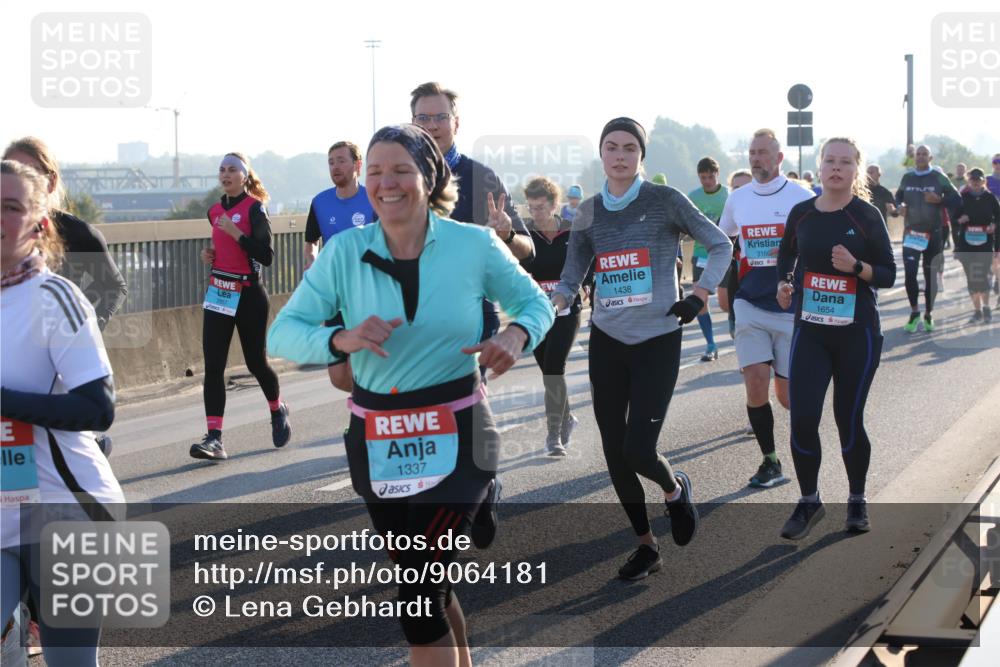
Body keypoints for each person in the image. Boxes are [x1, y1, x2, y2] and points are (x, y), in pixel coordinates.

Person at [267, 124, 553, 667]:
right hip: (378, 440)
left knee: (419, 602)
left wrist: (515, 335)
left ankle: (481, 492)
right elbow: (281, 333)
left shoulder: (473, 244)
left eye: (400, 169)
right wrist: (340, 338)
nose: (385, 182)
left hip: (460, 434)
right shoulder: (344, 252)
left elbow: (537, 303)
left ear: (429, 177)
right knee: (424, 586)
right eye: (374, 171)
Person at [551, 117, 732, 581]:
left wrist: (700, 292)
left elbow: (720, 244)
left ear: (641, 156)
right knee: (614, 452)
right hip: (607, 340)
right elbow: (574, 270)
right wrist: (561, 297)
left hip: (657, 338)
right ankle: (646, 546)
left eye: (629, 148)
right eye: (611, 147)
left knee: (639, 450)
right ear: (601, 154)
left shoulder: (665, 200)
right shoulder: (589, 211)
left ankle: (674, 491)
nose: (620, 155)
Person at [2, 159, 124, 667]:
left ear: (40, 223)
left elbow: (98, 407)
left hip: (66, 508)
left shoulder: (55, 297)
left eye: (11, 207)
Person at [409, 81, 535, 548]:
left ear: (456, 123)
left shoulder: (482, 178)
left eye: (439, 117)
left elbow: (526, 248)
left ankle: (479, 486)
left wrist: (505, 232)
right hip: (412, 322)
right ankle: (466, 492)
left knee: (461, 408)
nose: (431, 126)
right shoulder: (398, 176)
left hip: (471, 318)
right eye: (422, 118)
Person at [776, 137, 895, 538]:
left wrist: (856, 266)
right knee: (803, 419)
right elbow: (786, 256)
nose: (836, 168)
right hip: (810, 331)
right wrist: (785, 282)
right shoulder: (802, 213)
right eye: (830, 160)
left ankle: (857, 499)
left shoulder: (866, 215)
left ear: (856, 169)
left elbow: (889, 274)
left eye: (845, 162)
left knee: (848, 420)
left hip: (856, 334)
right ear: (820, 165)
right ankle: (809, 501)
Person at [4, 137, 128, 458]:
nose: (20, 178)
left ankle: (83, 448)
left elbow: (112, 287)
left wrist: (83, 330)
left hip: (59, 348)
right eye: (12, 169)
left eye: (29, 171)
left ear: (51, 180)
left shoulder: (77, 233)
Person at [719, 129, 813, 488]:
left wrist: (792, 257)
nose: (756, 159)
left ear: (779, 158)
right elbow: (723, 241)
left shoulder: (802, 198)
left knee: (788, 398)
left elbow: (818, 246)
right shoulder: (737, 199)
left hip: (791, 309)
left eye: (763, 153)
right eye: (752, 153)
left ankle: (806, 453)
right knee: (755, 384)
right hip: (749, 304)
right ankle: (770, 461)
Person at [191, 152, 291, 461]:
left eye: (232, 169)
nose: (226, 174)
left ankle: (277, 408)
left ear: (244, 176)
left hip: (249, 294)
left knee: (255, 363)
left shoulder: (255, 208)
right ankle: (215, 438)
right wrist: (210, 255)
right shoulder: (214, 211)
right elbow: (223, 247)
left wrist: (238, 234)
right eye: (222, 169)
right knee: (214, 366)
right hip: (219, 292)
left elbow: (267, 256)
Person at [303, 141, 375, 392]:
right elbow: (311, 241)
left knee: (362, 363)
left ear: (357, 165)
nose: (335, 167)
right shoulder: (320, 202)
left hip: (367, 293)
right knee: (338, 377)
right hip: (334, 295)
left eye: (341, 161)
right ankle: (367, 406)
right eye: (331, 162)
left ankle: (364, 417)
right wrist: (312, 262)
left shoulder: (373, 199)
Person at [523, 177, 588, 456]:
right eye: (531, 208)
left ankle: (554, 436)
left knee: (553, 368)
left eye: (540, 207)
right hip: (535, 313)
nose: (536, 213)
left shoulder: (572, 232)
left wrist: (586, 288)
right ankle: (567, 418)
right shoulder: (525, 236)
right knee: (549, 371)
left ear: (554, 205)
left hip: (566, 310)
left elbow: (589, 263)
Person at [894, 145, 961, 332]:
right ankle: (915, 312)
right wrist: (900, 206)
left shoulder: (939, 177)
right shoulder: (908, 177)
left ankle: (929, 313)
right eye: (918, 154)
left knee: (929, 276)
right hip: (911, 233)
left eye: (924, 154)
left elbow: (956, 199)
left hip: (934, 234)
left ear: (930, 157)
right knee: (909, 273)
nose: (921, 157)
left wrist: (939, 200)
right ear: (915, 157)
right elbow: (898, 196)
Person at [687, 157, 729, 361]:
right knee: (699, 299)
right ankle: (711, 344)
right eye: (703, 177)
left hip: (726, 253)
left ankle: (735, 329)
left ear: (717, 174)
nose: (707, 181)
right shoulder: (693, 197)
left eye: (711, 177)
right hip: (701, 253)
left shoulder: (728, 194)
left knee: (726, 302)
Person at [954, 168, 1000, 323]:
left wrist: (994, 225)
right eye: (972, 179)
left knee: (983, 276)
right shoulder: (963, 197)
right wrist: (961, 218)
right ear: (969, 181)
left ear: (983, 181)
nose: (975, 182)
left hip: (985, 243)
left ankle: (986, 307)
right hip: (966, 244)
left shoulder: (990, 198)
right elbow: (953, 218)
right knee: (971, 278)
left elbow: (998, 217)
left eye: (978, 179)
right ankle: (977, 311)